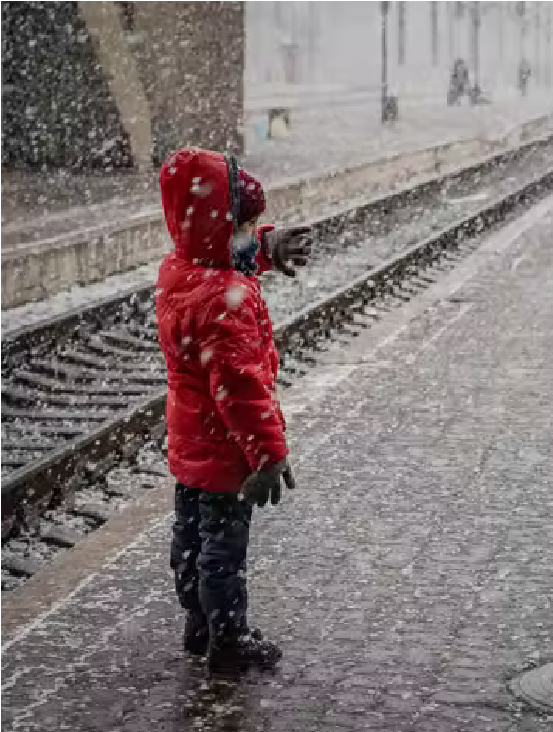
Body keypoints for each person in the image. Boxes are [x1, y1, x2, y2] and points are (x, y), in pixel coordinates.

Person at [156, 148, 312, 675]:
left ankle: (197, 623)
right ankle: (228, 639)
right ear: (220, 229)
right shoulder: (228, 300)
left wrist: (265, 247)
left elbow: (221, 256)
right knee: (224, 549)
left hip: (189, 443)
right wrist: (268, 455)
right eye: (246, 226)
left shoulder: (179, 271)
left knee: (190, 535)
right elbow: (241, 391)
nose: (251, 236)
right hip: (226, 452)